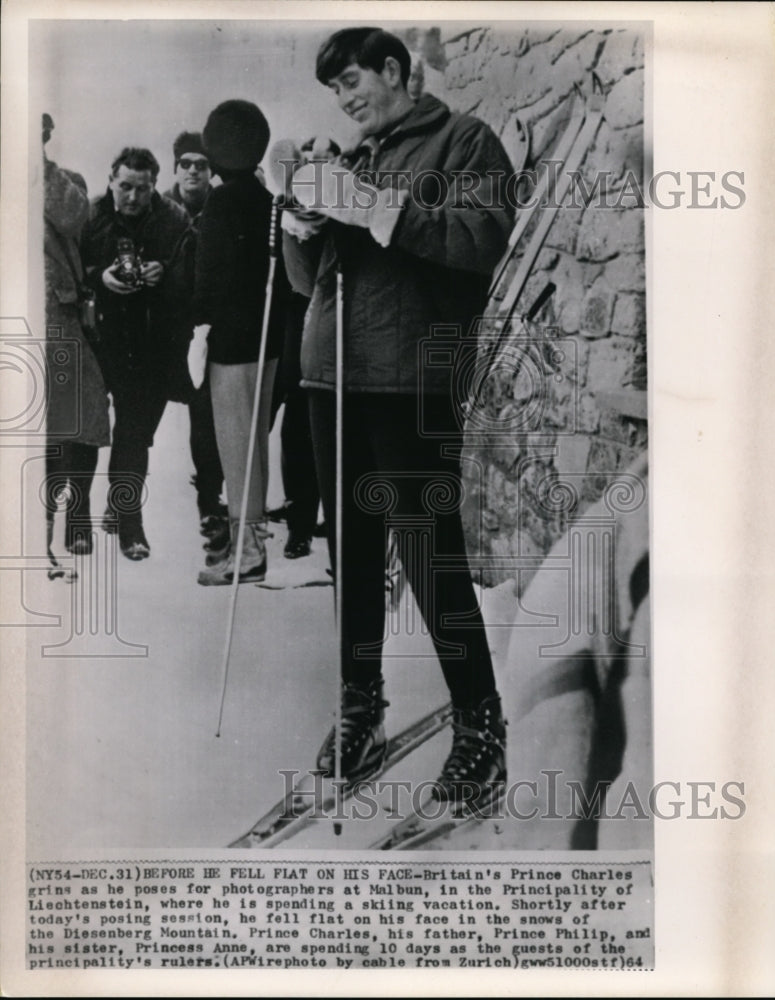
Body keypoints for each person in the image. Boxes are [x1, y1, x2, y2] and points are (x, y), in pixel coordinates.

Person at [280, 27, 515, 809]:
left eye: (352, 81)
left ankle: (480, 726)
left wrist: (378, 209)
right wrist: (303, 229)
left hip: (410, 376)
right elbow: (306, 282)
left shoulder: (463, 140)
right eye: (335, 91)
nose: (346, 100)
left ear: (394, 70)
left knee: (426, 552)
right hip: (330, 376)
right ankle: (360, 706)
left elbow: (481, 239)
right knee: (349, 552)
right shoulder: (352, 157)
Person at [188, 100, 289, 586]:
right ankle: (252, 543)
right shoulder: (267, 200)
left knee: (236, 449)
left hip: (231, 346)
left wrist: (198, 327)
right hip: (267, 341)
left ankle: (247, 554)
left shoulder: (221, 203)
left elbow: (206, 282)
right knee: (255, 447)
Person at [81, 147, 194, 560]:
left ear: (154, 186)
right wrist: (99, 277)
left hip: (149, 345)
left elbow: (190, 280)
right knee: (88, 430)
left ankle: (129, 523)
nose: (132, 197)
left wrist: (163, 271)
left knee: (134, 434)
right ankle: (81, 517)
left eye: (141, 189)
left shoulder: (174, 219)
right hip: (98, 340)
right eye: (124, 186)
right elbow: (68, 271)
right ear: (111, 180)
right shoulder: (90, 216)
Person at [42, 113, 110, 558]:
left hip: (60, 316)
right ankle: (40, 521)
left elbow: (74, 216)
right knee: (35, 427)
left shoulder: (61, 182)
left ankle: (79, 512)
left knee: (82, 418)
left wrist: (39, 167)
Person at [270, 136, 340, 560]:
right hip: (304, 315)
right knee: (300, 421)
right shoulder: (293, 207)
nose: (318, 162)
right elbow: (298, 277)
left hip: (345, 318)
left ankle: (335, 526)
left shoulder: (348, 192)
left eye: (326, 156)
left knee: (338, 428)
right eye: (311, 156)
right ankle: (299, 524)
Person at [164, 132, 228, 560]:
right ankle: (121, 502)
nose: (192, 170)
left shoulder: (222, 210)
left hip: (206, 326)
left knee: (206, 416)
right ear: (175, 168)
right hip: (165, 328)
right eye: (185, 162)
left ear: (212, 171)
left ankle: (210, 502)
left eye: (201, 164)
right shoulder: (161, 210)